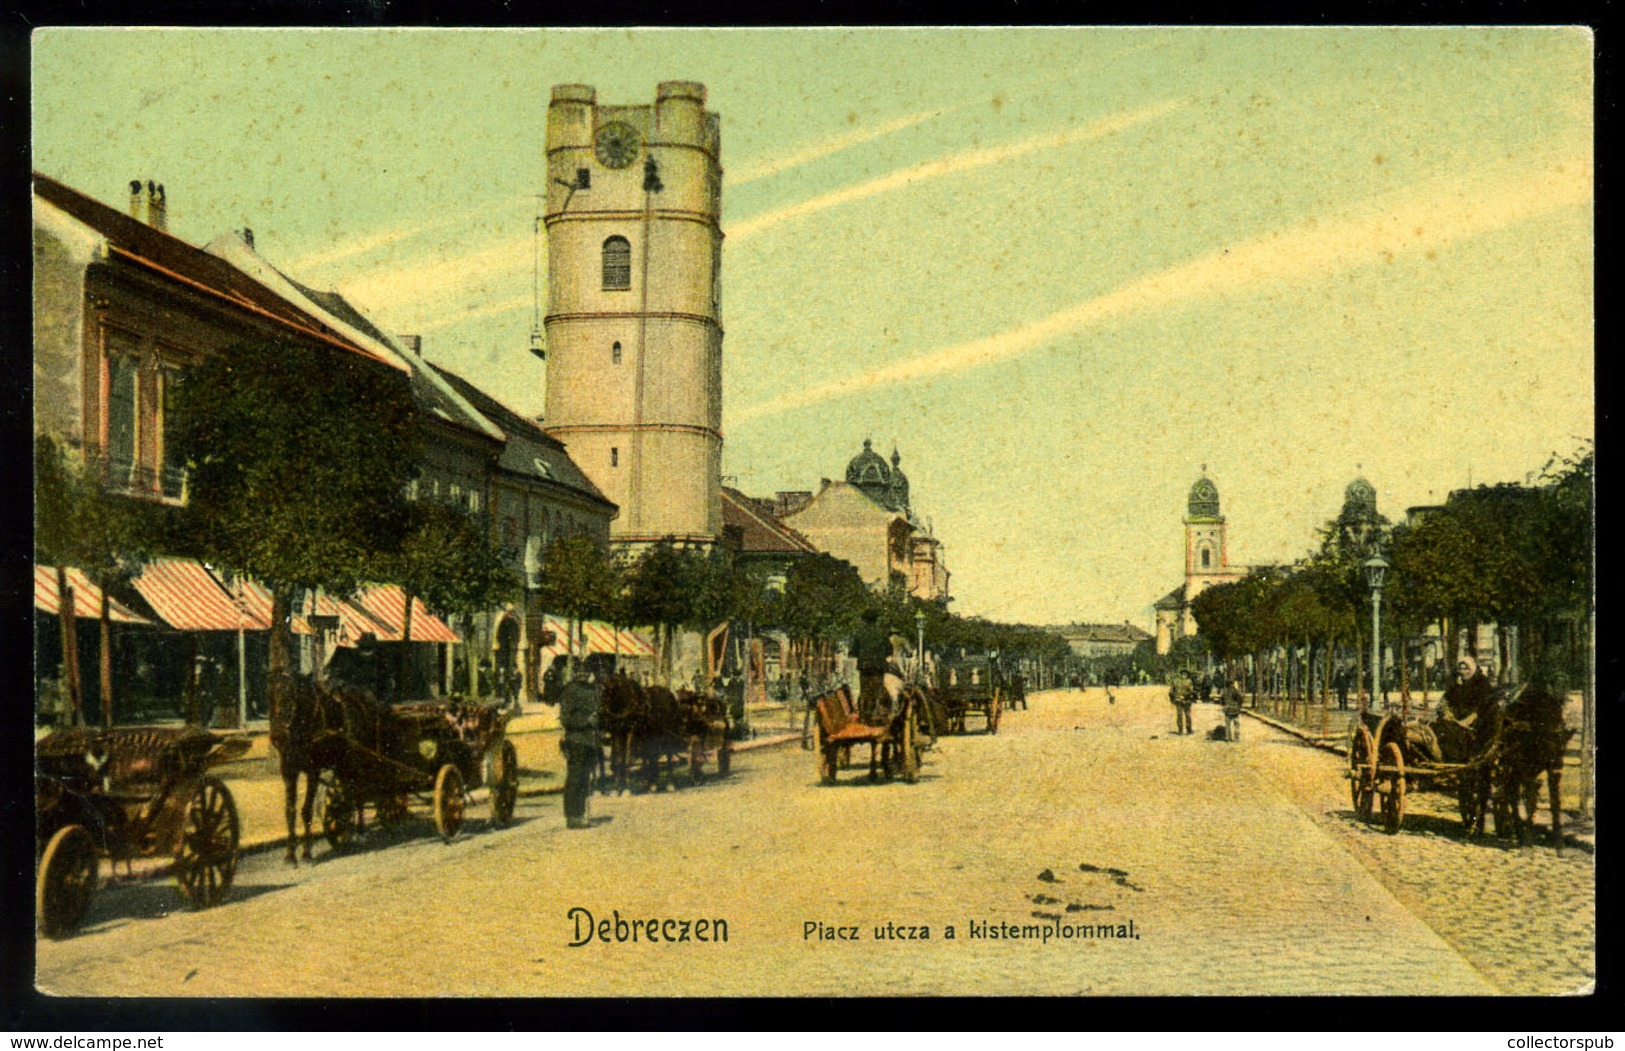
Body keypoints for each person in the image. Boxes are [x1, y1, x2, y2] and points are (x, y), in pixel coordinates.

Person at [556, 663, 602, 830]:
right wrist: (585, 721)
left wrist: (598, 721)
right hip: (576, 740)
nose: (583, 674)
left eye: (586, 671)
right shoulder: (569, 691)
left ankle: (581, 813)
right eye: (580, 671)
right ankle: (572, 816)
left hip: (591, 741)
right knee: (575, 779)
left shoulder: (594, 691)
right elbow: (565, 719)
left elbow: (600, 712)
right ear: (574, 673)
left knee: (585, 779)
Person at [850, 608, 893, 723]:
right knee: (877, 691)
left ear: (864, 620)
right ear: (876, 619)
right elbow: (889, 651)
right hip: (878, 668)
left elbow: (853, 652)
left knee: (865, 691)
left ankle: (864, 717)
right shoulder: (882, 634)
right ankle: (875, 716)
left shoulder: (859, 634)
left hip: (864, 668)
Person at [1169, 671, 1194, 735]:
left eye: (1185, 674)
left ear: (1187, 674)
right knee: (1179, 715)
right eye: (1183, 674)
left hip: (1186, 700)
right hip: (1178, 700)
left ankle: (1188, 729)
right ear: (1181, 674)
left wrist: (1184, 696)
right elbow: (1171, 691)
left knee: (1187, 715)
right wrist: (1173, 698)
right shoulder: (1176, 681)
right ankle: (1180, 730)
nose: (1184, 675)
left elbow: (1191, 691)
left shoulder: (1189, 681)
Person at [1222, 678, 1244, 742]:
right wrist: (1239, 706)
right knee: (1237, 724)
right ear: (1232, 684)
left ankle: (1227, 737)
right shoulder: (1235, 691)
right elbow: (1240, 699)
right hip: (1235, 710)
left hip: (1227, 710)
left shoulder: (1225, 692)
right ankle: (1236, 738)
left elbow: (1221, 700)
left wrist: (1225, 705)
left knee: (1227, 724)